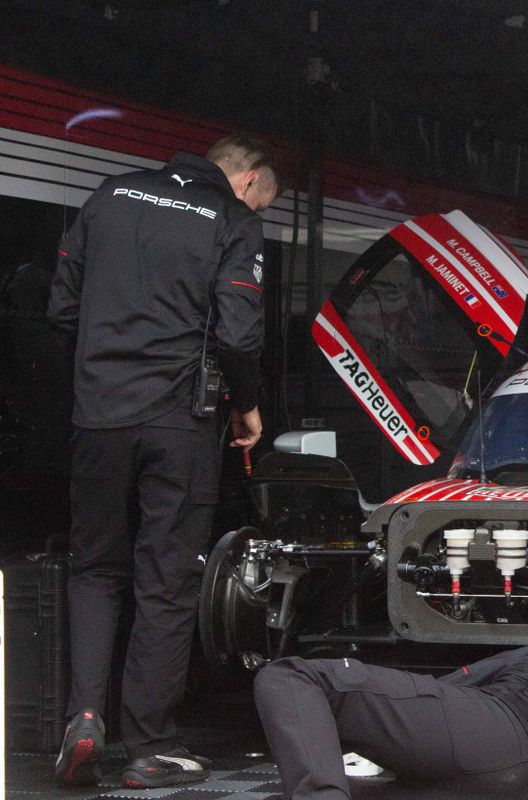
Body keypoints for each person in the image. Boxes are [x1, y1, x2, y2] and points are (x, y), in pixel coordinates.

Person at [47, 134, 281, 788]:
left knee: (94, 566)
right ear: (251, 178)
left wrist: (103, 369)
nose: (259, 207)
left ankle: (85, 719)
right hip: (181, 420)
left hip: (98, 415)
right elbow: (237, 332)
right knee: (165, 577)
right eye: (265, 197)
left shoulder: (110, 195)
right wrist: (249, 407)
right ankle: (147, 744)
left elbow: (61, 305)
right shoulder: (232, 221)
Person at [253, 646, 528, 800]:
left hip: (489, 730)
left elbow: (453, 683)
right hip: (512, 790)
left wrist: (379, 737)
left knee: (291, 677)